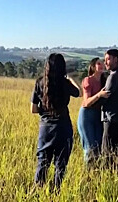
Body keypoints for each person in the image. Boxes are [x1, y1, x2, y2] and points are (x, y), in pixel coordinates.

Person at [31, 53, 81, 190]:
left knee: (43, 163)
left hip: (45, 129)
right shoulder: (65, 84)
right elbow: (79, 92)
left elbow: (33, 109)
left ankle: (37, 191)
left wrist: (45, 111)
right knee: (61, 164)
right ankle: (56, 193)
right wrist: (71, 77)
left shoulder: (39, 82)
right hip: (63, 127)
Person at [77, 57, 109, 165]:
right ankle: (88, 174)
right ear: (93, 67)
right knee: (89, 148)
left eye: (103, 63)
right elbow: (86, 102)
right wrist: (99, 95)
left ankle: (96, 172)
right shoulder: (88, 80)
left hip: (98, 115)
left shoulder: (105, 80)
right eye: (99, 63)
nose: (102, 65)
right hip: (87, 115)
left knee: (98, 146)